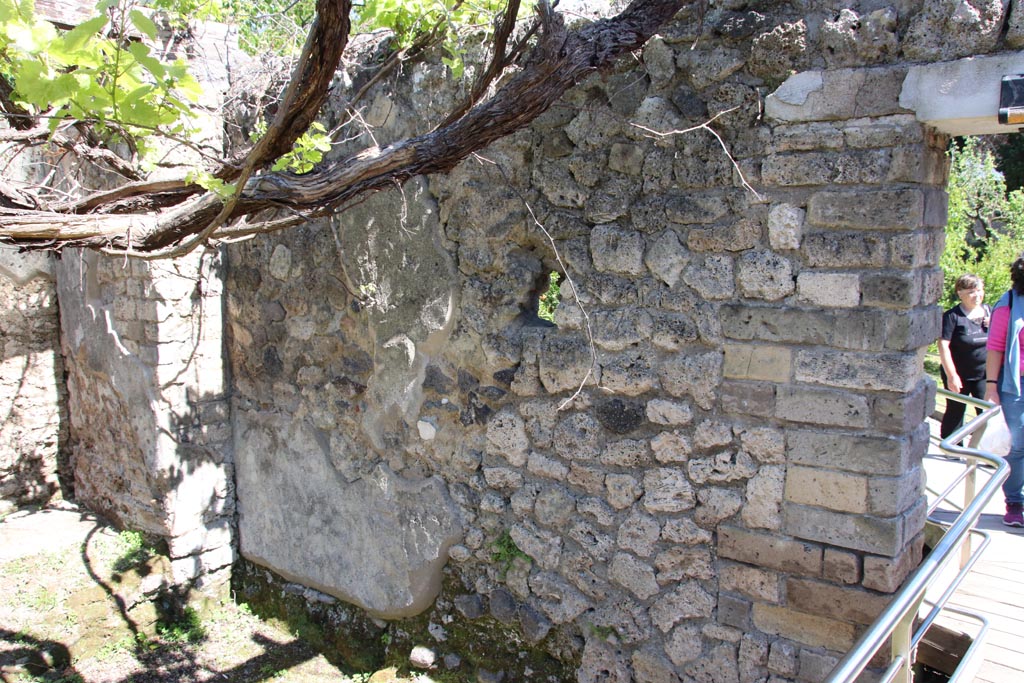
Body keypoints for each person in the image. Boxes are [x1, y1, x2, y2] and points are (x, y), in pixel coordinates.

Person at [984, 256, 1024, 527]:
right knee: (1018, 445)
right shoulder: (1008, 304)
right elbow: (996, 346)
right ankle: (1014, 501)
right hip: (1015, 385)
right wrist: (990, 387)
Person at [938, 274, 990, 439]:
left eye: (979, 290)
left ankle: (984, 450)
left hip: (983, 374)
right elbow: (943, 346)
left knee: (987, 411)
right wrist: (951, 376)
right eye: (972, 292)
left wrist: (994, 324)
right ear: (960, 293)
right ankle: (952, 447)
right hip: (959, 373)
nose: (977, 295)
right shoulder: (952, 316)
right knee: (956, 410)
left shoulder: (990, 312)